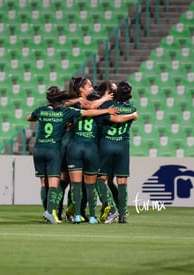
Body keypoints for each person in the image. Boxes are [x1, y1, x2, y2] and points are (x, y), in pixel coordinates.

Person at [26, 86, 119, 224]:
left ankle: (54, 211)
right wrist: (106, 110)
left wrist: (45, 118)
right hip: (56, 149)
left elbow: (29, 118)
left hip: (39, 148)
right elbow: (88, 112)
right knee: (58, 182)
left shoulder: (41, 110)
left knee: (46, 183)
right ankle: (65, 212)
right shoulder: (66, 111)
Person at [66, 79, 137, 224]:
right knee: (111, 181)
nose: (112, 93)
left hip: (99, 145)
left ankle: (98, 210)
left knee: (91, 181)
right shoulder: (119, 106)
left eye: (114, 90)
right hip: (109, 146)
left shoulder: (103, 104)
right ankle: (118, 212)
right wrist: (133, 115)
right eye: (111, 90)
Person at [96, 80, 138, 223]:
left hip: (107, 143)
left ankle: (112, 209)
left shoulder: (108, 106)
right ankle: (122, 214)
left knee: (100, 179)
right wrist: (132, 116)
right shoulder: (132, 109)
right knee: (122, 181)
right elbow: (125, 118)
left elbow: (114, 118)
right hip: (123, 146)